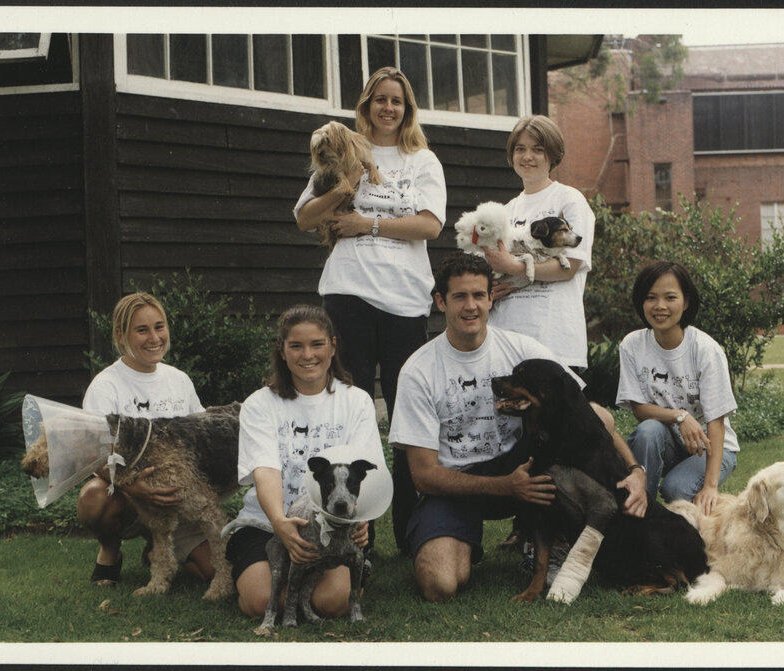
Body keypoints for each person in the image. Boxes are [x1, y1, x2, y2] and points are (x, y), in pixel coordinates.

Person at [388, 253, 645, 602]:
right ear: (440, 302)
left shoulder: (520, 348)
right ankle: (463, 539)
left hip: (523, 466)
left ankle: (552, 538)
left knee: (602, 414)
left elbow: (590, 419)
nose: (471, 306)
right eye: (460, 296)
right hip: (457, 485)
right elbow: (423, 476)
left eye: (479, 295)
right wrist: (505, 486)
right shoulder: (419, 370)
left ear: (491, 298)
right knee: (440, 585)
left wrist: (633, 469)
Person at [293, 66, 446, 555]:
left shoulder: (422, 161)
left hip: (403, 299)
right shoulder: (342, 150)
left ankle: (408, 531)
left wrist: (368, 224)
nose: (387, 108)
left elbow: (430, 225)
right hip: (348, 293)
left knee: (406, 418)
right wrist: (344, 189)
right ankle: (355, 534)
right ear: (366, 105)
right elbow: (303, 217)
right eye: (379, 99)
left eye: (396, 101)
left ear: (407, 108)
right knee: (351, 415)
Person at [224, 304, 385, 620]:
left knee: (332, 603)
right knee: (259, 602)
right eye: (295, 346)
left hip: (334, 525)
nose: (307, 354)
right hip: (268, 523)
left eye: (317, 344)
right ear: (282, 351)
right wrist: (281, 525)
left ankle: (350, 570)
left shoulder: (356, 401)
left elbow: (368, 477)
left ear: (333, 346)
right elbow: (266, 471)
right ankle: (256, 576)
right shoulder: (259, 405)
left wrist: (362, 516)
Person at [77, 292, 214, 587]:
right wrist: (132, 486)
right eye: (142, 330)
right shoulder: (106, 385)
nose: (154, 337)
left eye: (159, 326)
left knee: (211, 573)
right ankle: (110, 552)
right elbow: (92, 454)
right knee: (94, 498)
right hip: (129, 500)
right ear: (120, 334)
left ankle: (158, 548)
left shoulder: (178, 380)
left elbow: (202, 439)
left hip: (176, 499)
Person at [616, 261, 739, 515]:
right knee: (648, 431)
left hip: (712, 447)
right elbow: (639, 409)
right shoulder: (632, 345)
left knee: (676, 490)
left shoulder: (705, 350)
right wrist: (680, 416)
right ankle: (639, 515)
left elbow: (716, 422)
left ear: (685, 302)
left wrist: (710, 486)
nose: (660, 306)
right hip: (668, 441)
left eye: (670, 297)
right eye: (651, 298)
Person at [484, 114, 596, 372]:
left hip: (554, 340)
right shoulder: (507, 210)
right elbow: (493, 267)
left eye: (538, 150)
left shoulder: (569, 200)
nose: (527, 157)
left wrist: (516, 268)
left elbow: (572, 266)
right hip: (508, 339)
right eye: (520, 149)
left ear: (553, 155)